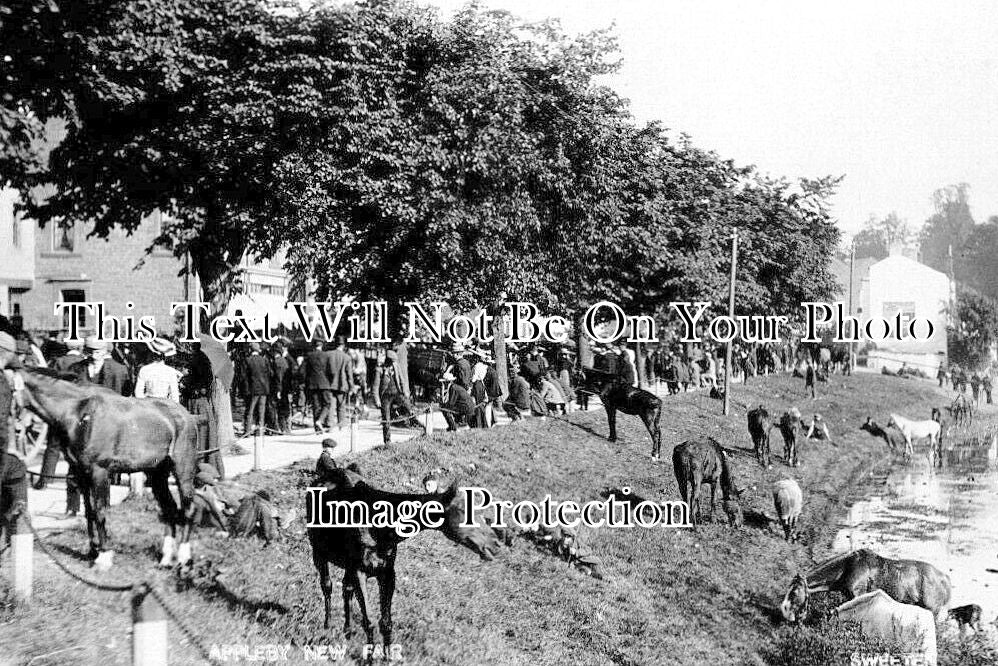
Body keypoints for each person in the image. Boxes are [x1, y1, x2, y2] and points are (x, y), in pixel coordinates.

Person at [372, 350, 423, 444]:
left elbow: (402, 380)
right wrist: (377, 400)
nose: (393, 364)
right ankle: (387, 441)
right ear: (387, 361)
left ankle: (418, 425)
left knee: (408, 407)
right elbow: (375, 387)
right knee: (386, 420)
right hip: (385, 396)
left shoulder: (396, 366)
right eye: (391, 362)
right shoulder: (379, 370)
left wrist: (405, 392)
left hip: (396, 393)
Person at [303, 340, 333, 434]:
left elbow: (303, 371)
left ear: (314, 346)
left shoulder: (309, 356)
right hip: (325, 383)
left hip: (313, 384)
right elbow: (331, 371)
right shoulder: (327, 356)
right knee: (327, 403)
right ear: (322, 346)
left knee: (316, 406)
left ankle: (317, 429)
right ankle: (320, 420)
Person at [327, 337, 354, 431]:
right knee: (341, 406)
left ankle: (330, 426)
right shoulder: (347, 357)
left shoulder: (329, 355)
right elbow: (349, 374)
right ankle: (341, 426)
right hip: (342, 385)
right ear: (343, 345)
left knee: (331, 406)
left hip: (330, 384)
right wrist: (351, 387)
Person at [270, 342, 293, 435]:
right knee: (285, 408)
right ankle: (286, 428)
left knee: (279, 409)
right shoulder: (284, 361)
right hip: (286, 388)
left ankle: (281, 428)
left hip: (279, 389)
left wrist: (278, 390)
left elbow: (279, 377)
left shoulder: (276, 362)